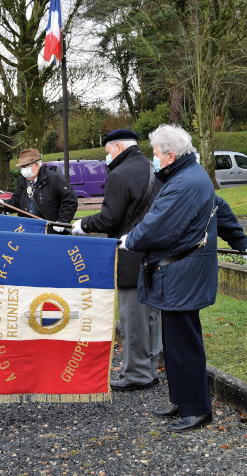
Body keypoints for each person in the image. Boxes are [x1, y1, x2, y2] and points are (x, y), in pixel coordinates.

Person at [119, 124, 218, 432]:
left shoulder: (184, 182)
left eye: (157, 154)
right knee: (175, 344)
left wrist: (130, 240)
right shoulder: (189, 175)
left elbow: (156, 224)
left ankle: (197, 409)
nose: (155, 159)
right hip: (179, 274)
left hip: (181, 275)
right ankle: (183, 400)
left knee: (184, 344)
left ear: (172, 155)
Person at [71, 129, 162, 391]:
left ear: (119, 147)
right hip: (156, 251)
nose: (106, 157)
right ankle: (151, 366)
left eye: (108, 151)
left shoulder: (120, 175)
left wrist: (83, 225)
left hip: (130, 253)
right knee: (153, 315)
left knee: (132, 317)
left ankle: (136, 374)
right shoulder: (152, 167)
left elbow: (109, 219)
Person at [0, 149, 77, 232]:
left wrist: (62, 221)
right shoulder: (22, 181)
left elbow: (70, 200)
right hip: (26, 228)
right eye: (22, 167)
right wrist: (2, 203)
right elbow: (16, 202)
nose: (24, 170)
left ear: (37, 165)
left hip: (49, 229)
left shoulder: (53, 178)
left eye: (26, 166)